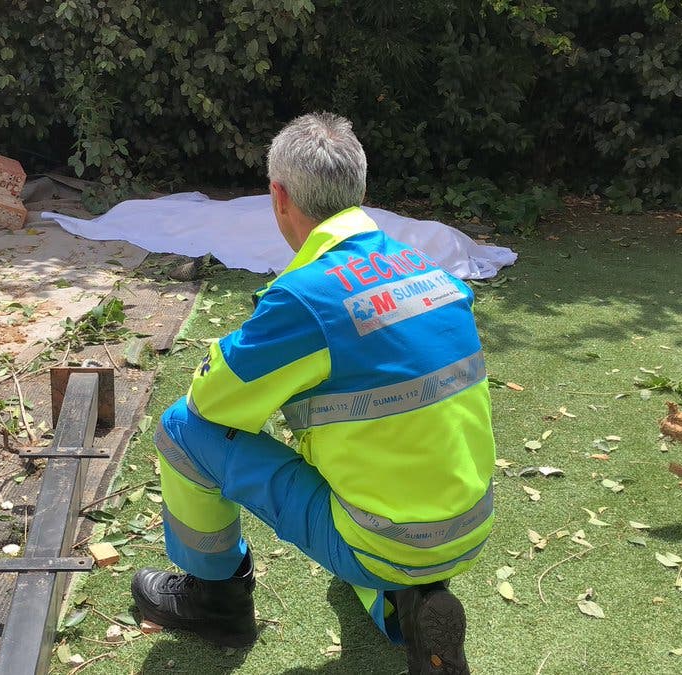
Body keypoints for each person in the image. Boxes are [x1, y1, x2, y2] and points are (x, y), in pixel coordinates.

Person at [131, 113, 495, 675]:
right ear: (361, 192)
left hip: (385, 536)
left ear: (278, 196)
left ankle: (216, 602)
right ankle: (410, 603)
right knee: (360, 543)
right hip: (468, 526)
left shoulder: (304, 299)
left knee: (181, 430)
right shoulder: (432, 272)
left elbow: (211, 403)